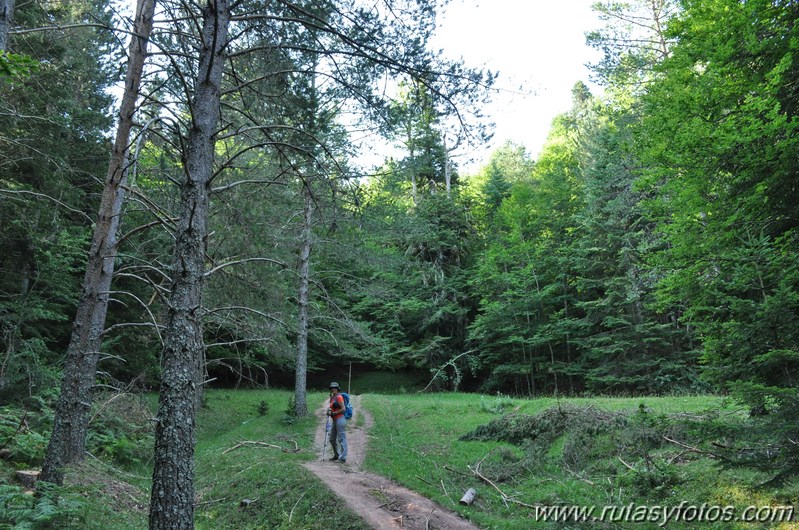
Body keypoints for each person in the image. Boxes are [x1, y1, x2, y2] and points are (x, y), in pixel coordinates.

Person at [327, 382, 348, 463]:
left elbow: (343, 409)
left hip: (340, 419)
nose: (333, 389)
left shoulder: (339, 397)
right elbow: (331, 408)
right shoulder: (332, 398)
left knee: (341, 438)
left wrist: (334, 413)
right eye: (332, 388)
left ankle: (343, 458)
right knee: (332, 439)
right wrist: (329, 411)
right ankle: (337, 454)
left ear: (337, 389)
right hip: (334, 420)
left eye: (335, 388)